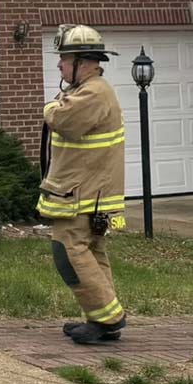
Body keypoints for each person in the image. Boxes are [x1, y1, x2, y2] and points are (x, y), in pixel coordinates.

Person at [38, 24, 128, 345]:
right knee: (91, 253)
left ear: (84, 62)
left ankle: (108, 318)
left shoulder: (94, 92)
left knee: (69, 252)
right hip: (85, 191)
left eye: (65, 58)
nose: (59, 65)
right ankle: (102, 317)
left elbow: (62, 120)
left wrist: (51, 108)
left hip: (83, 195)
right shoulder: (84, 90)